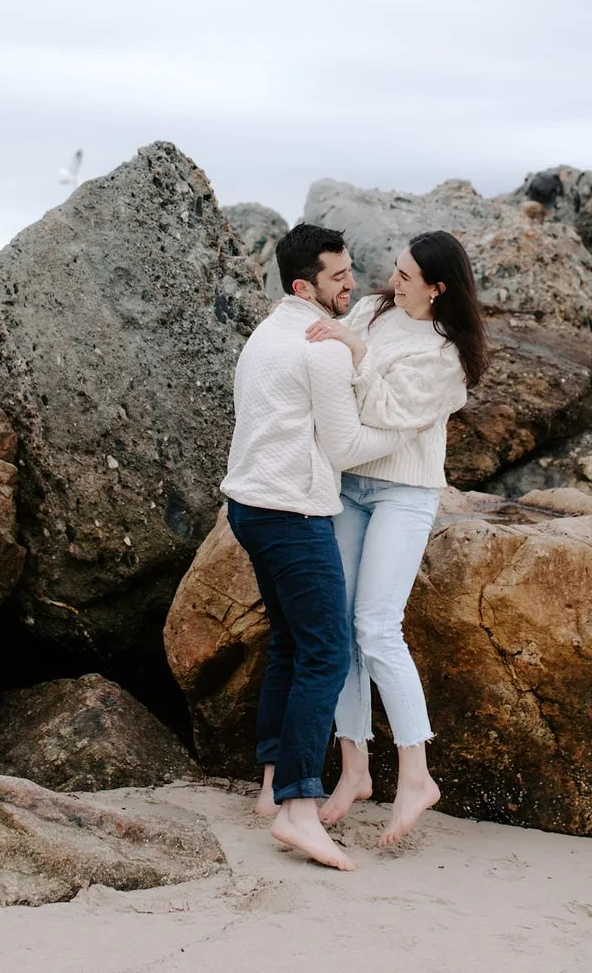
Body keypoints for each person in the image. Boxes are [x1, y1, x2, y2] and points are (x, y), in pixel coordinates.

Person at [220, 222, 416, 872]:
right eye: (338, 275)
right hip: (292, 513)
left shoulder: (266, 332)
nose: (352, 282)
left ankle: (273, 784)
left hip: (247, 506)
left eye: (351, 268)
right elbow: (348, 447)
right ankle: (302, 808)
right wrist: (412, 431)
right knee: (327, 652)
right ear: (306, 284)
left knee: (288, 641)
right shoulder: (321, 348)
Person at [304, 230, 486, 845]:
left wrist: (353, 349)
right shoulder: (377, 309)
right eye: (397, 268)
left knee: (377, 625)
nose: (392, 280)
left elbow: (381, 409)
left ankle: (416, 775)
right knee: (338, 625)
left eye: (407, 276)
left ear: (438, 289)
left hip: (404, 494)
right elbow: (342, 385)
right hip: (349, 483)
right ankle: (355, 768)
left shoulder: (448, 354)